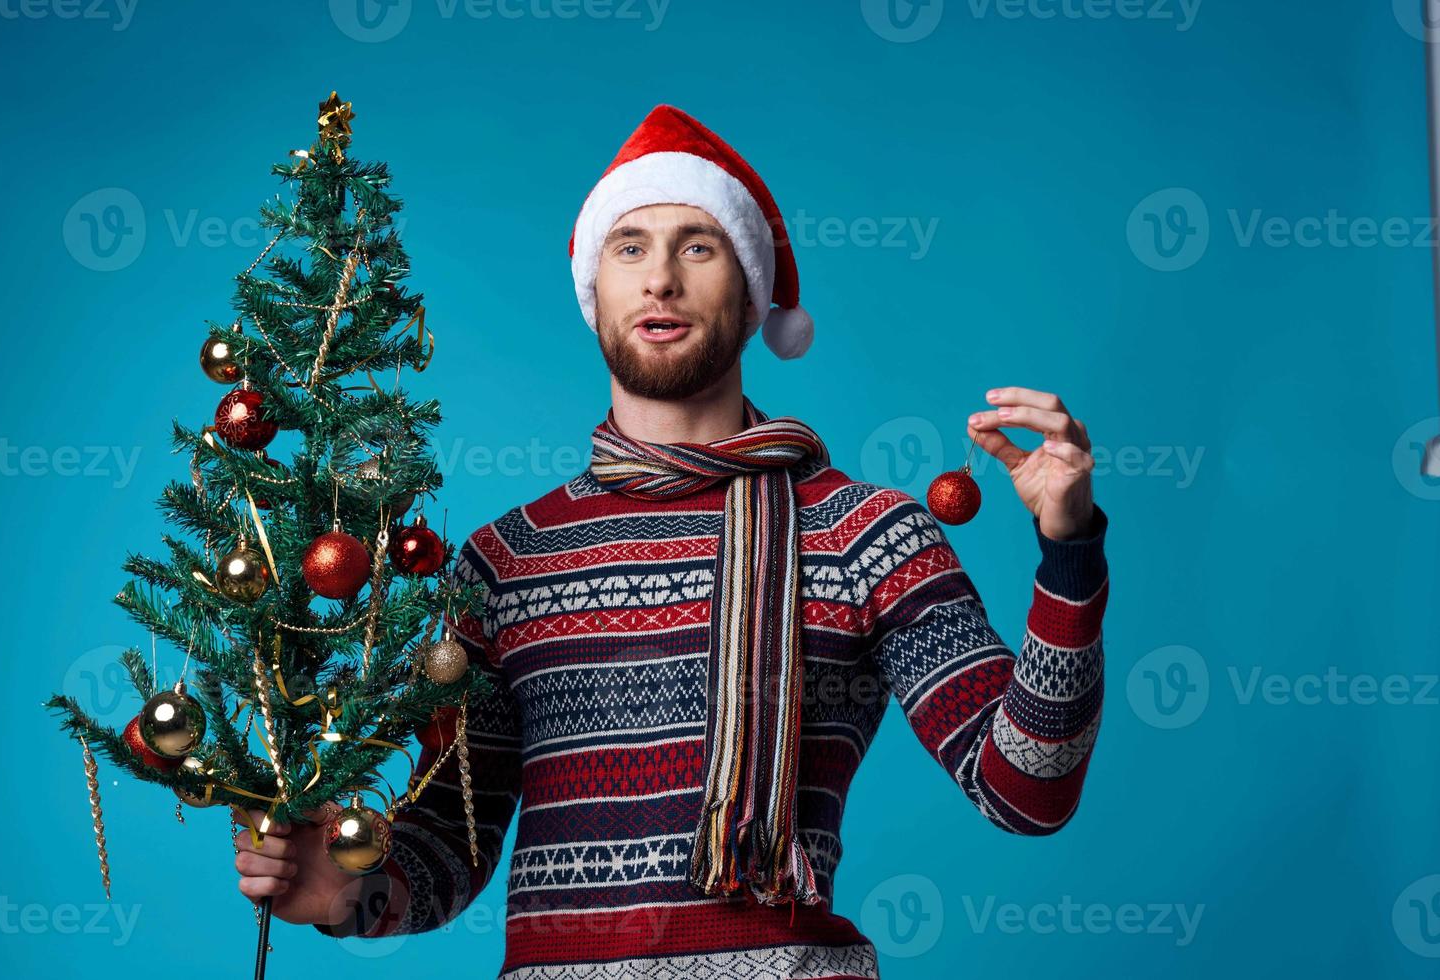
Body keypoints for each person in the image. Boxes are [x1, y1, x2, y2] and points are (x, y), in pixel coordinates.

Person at [232, 105, 1110, 979]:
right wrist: (347, 887)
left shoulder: (864, 533)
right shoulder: (505, 562)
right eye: (629, 248)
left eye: (697, 246)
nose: (660, 280)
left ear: (751, 285)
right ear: (596, 288)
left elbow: (1025, 789)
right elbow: (451, 840)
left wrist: (1068, 552)